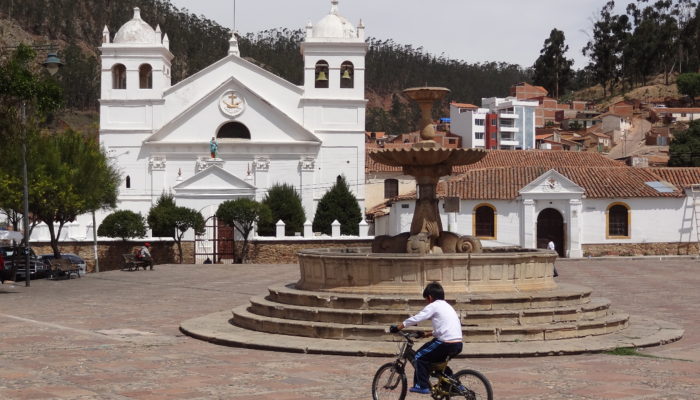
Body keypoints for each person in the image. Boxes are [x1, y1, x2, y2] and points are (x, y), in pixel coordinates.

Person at [389, 282, 463, 394]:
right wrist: (427, 334)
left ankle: (421, 386)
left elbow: (417, 318)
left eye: (426, 300)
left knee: (419, 356)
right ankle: (455, 386)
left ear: (430, 297)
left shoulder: (434, 305)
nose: (427, 302)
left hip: (445, 343)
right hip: (457, 344)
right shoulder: (448, 306)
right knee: (438, 364)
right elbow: (444, 329)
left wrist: (398, 327)